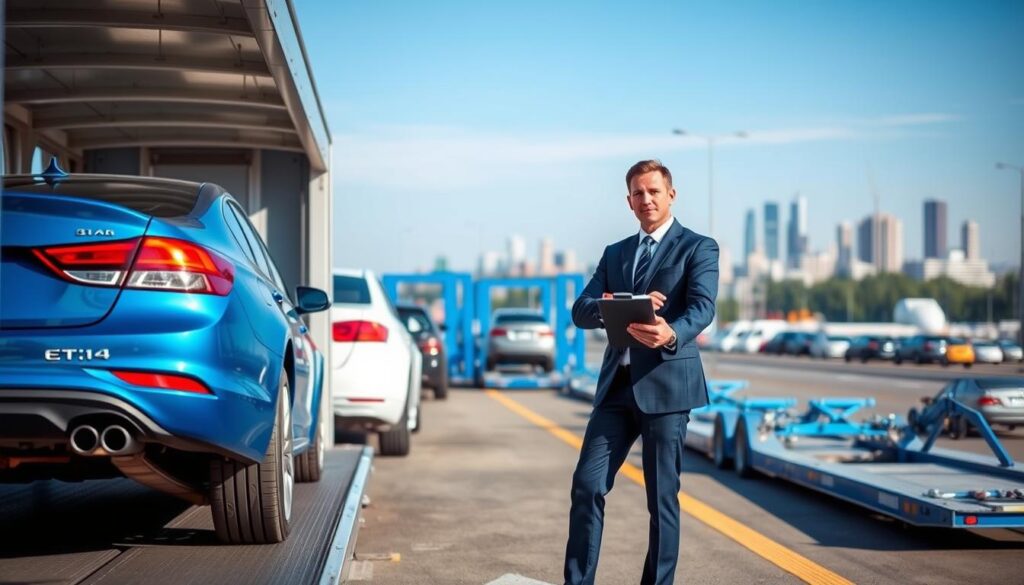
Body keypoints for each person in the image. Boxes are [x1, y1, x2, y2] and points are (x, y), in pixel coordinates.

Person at [563, 159, 719, 585]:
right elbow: (580, 310)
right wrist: (610, 304)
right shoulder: (615, 253)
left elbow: (703, 308)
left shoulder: (698, 247)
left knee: (661, 499)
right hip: (617, 389)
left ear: (671, 194)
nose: (646, 199)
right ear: (628, 202)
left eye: (653, 191)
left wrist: (671, 333)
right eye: (638, 193)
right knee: (586, 485)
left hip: (668, 388)